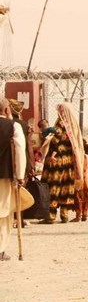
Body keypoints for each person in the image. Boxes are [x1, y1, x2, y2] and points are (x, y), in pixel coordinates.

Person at [40, 103, 85, 224]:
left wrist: (46, 134)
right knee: (66, 187)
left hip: (57, 162)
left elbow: (55, 139)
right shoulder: (73, 125)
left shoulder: (60, 124)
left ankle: (51, 215)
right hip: (69, 161)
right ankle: (64, 215)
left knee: (54, 186)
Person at [0, 98, 25, 261]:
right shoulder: (13, 126)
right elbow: (19, 151)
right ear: (7, 110)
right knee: (3, 211)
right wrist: (20, 175)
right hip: (4, 175)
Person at [8, 100, 33, 178]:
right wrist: (32, 163)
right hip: (23, 159)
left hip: (8, 160)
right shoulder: (24, 124)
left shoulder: (7, 122)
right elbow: (28, 145)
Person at [72, 140, 88, 222]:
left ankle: (78, 214)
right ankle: (85, 213)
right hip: (85, 180)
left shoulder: (77, 158)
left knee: (78, 195)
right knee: (85, 195)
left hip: (78, 180)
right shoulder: (84, 157)